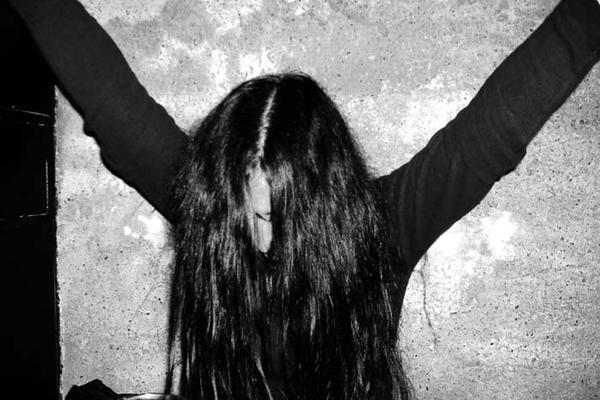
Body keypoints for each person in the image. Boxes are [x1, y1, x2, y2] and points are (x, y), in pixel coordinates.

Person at [7, 0, 600, 399]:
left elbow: (486, 137)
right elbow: (114, 107)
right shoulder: (209, 206)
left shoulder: (383, 226)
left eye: (277, 217)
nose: (260, 240)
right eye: (248, 215)